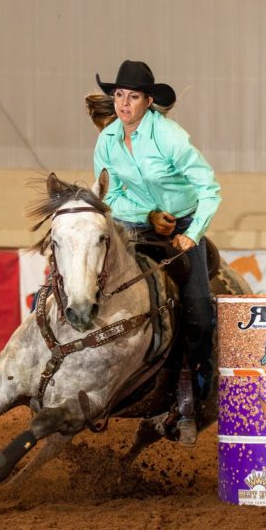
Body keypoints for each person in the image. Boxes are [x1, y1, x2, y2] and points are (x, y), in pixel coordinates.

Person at [91, 60, 221, 447]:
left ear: (149, 101)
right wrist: (146, 214)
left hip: (182, 225)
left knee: (198, 308)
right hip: (135, 222)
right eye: (118, 95)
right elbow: (108, 194)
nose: (124, 103)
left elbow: (210, 189)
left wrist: (191, 234)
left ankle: (195, 399)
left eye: (132, 96)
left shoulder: (170, 137)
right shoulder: (107, 141)